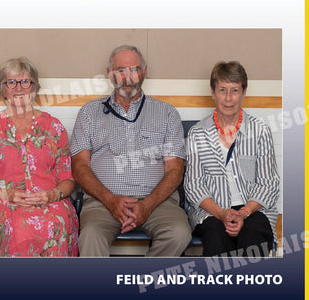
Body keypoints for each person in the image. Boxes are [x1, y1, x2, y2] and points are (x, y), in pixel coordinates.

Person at [71, 45, 191, 257]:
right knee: (90, 235)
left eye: (134, 69)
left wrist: (147, 206)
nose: (128, 77)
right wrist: (110, 200)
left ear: (144, 72)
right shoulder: (89, 112)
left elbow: (175, 170)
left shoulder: (166, 113)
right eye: (120, 70)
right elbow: (79, 166)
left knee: (179, 233)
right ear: (109, 74)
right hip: (102, 202)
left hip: (157, 202)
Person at [0, 57, 79, 257]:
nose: (19, 88)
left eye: (25, 82)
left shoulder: (54, 127)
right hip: (1, 202)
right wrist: (5, 194)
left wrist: (52, 194)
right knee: (16, 226)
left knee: (57, 222)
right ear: (2, 89)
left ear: (35, 87)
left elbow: (68, 180)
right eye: (11, 82)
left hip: (49, 201)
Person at [184, 61, 280, 257]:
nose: (228, 98)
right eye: (222, 90)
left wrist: (244, 212)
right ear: (213, 92)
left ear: (244, 92)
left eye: (234, 90)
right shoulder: (197, 133)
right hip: (212, 211)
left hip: (254, 209)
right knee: (217, 234)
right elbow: (194, 186)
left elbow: (269, 184)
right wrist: (221, 214)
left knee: (252, 232)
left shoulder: (260, 131)